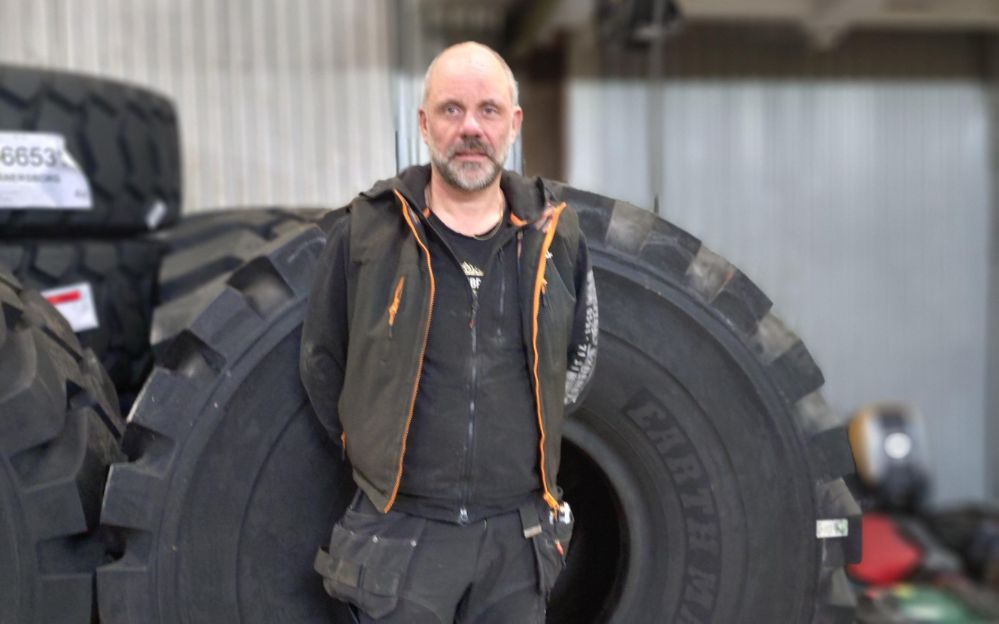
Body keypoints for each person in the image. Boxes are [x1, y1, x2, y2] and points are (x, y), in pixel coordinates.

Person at [300, 41, 598, 623]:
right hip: (401, 534)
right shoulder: (367, 231)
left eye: (488, 110)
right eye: (451, 109)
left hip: (516, 539)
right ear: (424, 123)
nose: (470, 129)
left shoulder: (555, 235)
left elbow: (578, 357)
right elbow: (322, 359)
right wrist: (371, 445)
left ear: (513, 123)